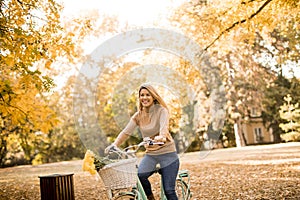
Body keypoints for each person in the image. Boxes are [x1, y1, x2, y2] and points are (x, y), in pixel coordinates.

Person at [105, 83, 179, 200]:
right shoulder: (138, 116)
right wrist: (114, 145)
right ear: (139, 98)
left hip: (168, 155)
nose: (144, 97)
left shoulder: (162, 111)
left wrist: (161, 137)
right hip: (151, 155)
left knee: (169, 190)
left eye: (148, 95)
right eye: (142, 95)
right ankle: (150, 198)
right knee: (140, 176)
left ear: (153, 96)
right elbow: (126, 132)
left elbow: (163, 129)